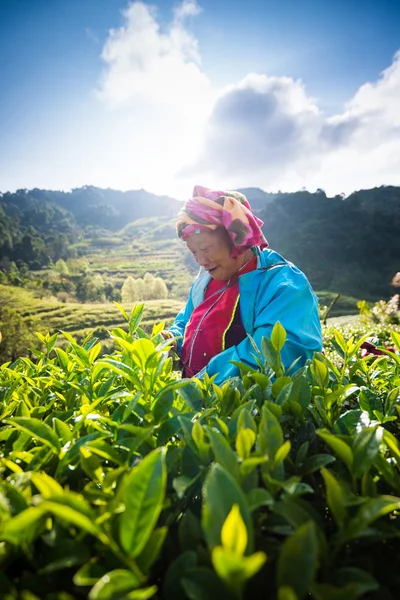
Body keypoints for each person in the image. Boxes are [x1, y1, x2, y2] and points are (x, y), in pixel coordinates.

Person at [166, 185, 322, 384]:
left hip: (243, 405)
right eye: (194, 252)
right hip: (198, 397)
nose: (201, 260)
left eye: (205, 248)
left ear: (236, 238)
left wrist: (200, 385)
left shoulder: (283, 284)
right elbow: (188, 319)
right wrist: (172, 339)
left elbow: (274, 353)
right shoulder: (205, 279)